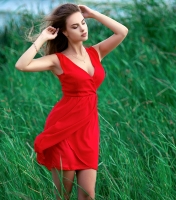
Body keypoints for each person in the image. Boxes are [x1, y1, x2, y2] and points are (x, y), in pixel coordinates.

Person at [15, 3, 128, 200]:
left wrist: (93, 14)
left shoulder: (96, 52)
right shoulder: (57, 60)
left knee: (87, 195)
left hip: (89, 128)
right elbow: (22, 65)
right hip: (64, 128)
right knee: (63, 195)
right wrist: (42, 38)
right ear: (65, 32)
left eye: (83, 23)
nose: (83, 28)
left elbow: (122, 31)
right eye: (75, 26)